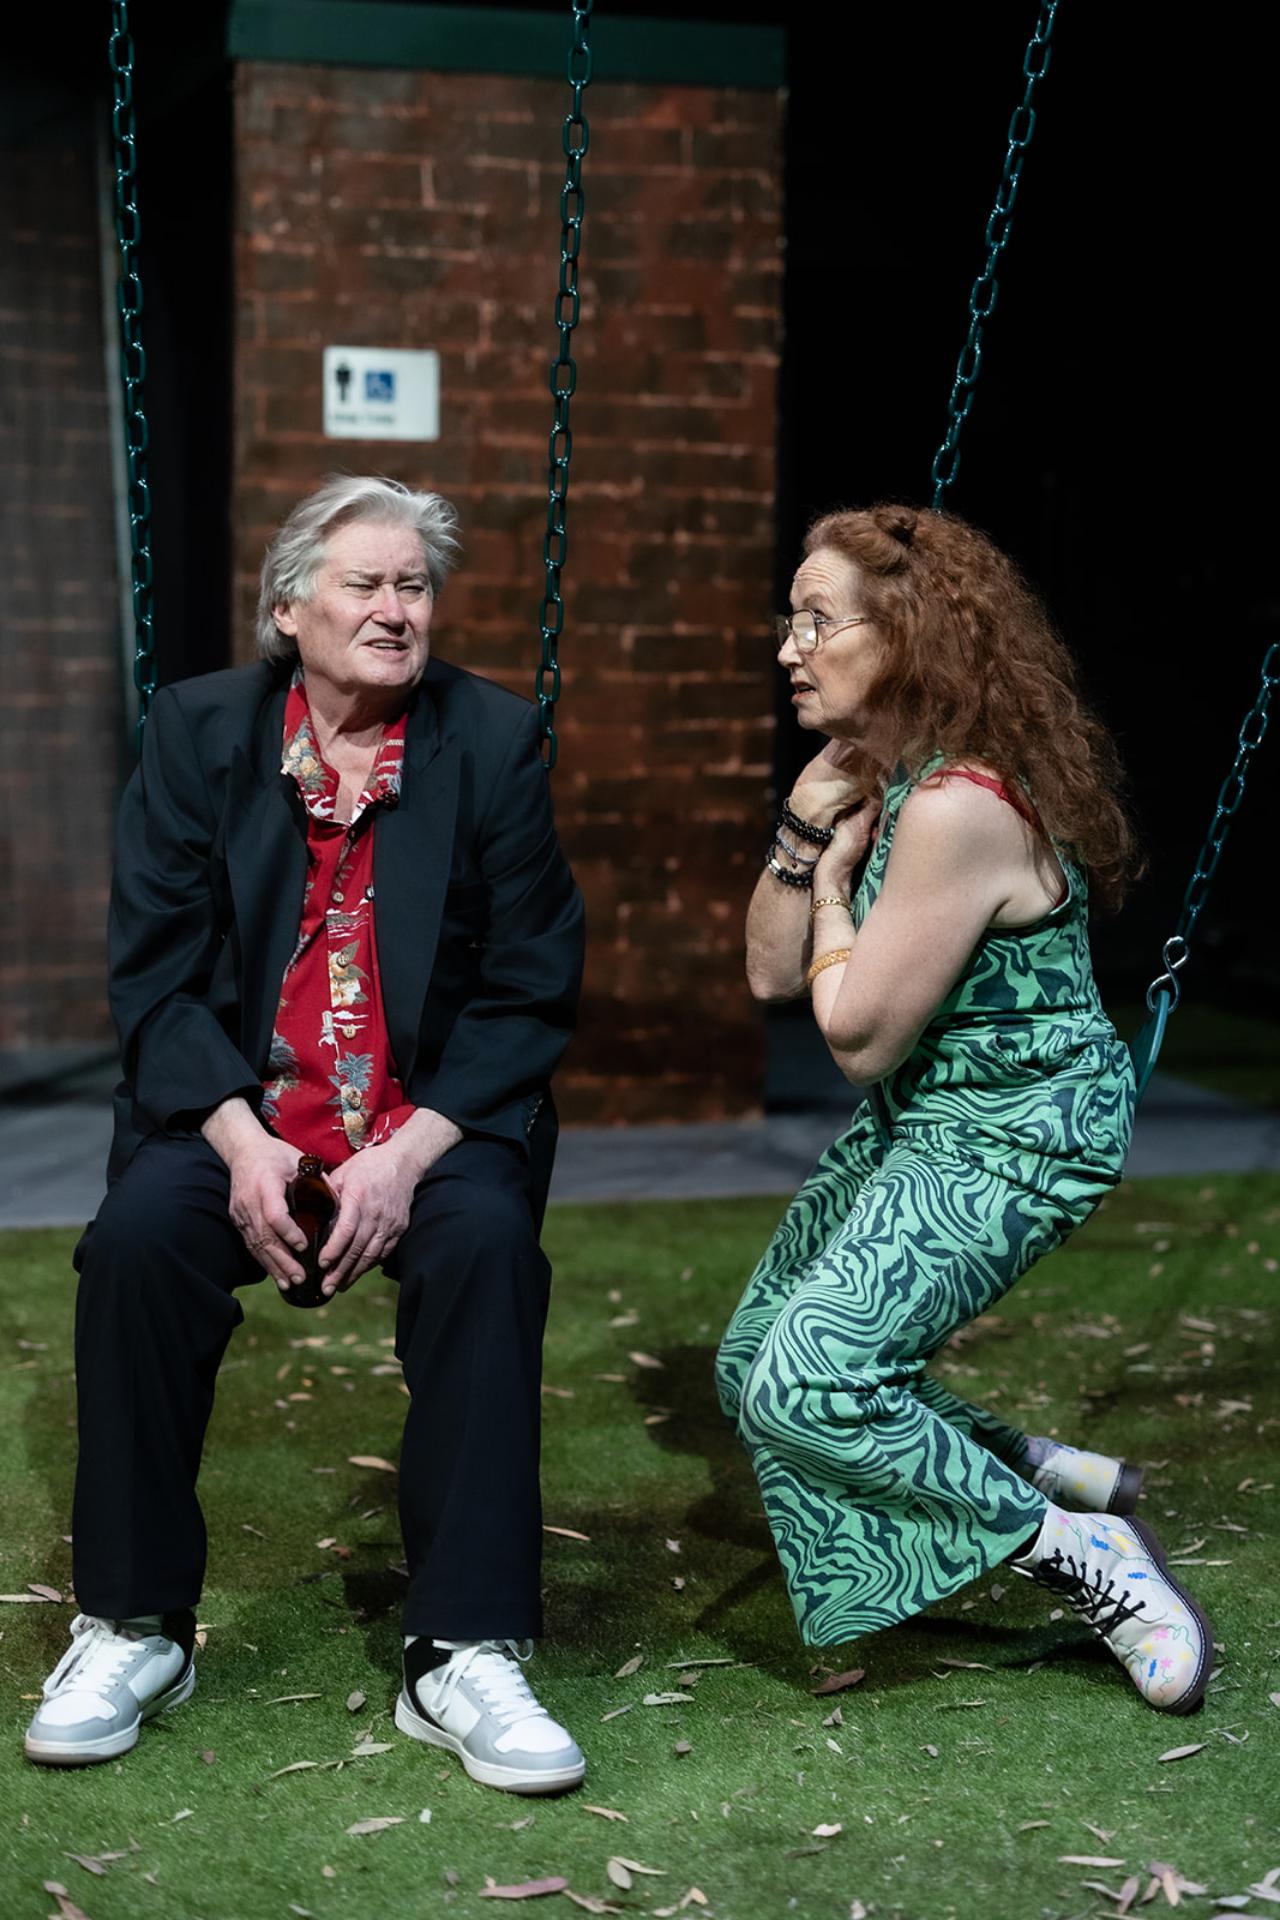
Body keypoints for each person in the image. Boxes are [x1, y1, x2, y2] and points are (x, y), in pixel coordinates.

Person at [25, 476, 588, 1793]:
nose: (396, 611)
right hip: (241, 1114)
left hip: (422, 1125)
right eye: (365, 584)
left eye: (415, 587)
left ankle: (462, 1648)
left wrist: (406, 1152)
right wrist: (237, 1142)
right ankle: (136, 1625)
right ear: (290, 609)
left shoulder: (491, 741)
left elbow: (530, 986)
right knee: (136, 1247)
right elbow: (157, 977)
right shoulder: (199, 732)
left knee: (485, 1247)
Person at [716, 504, 1212, 1715]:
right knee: (746, 1366)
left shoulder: (955, 807)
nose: (787, 648)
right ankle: (1022, 1464)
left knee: (807, 1384)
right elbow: (768, 976)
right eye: (790, 620)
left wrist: (831, 890)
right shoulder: (887, 778)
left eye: (815, 622)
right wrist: (804, 823)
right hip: (929, 1113)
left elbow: (852, 1036)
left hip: (1018, 1131)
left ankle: (1081, 1554)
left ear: (902, 635)